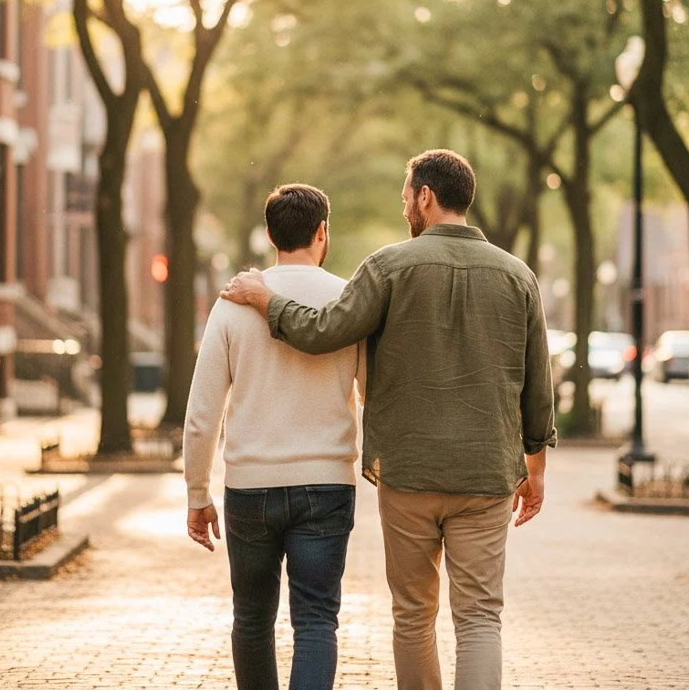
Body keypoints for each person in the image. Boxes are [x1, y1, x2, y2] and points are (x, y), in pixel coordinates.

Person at [221, 148, 556, 690]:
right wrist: (535, 468)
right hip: (486, 475)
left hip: (408, 475)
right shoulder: (518, 277)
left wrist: (266, 300)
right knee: (478, 619)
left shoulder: (388, 267)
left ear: (425, 195)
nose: (405, 206)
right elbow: (538, 387)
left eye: (407, 196)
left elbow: (325, 331)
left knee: (413, 616)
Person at [184, 183, 364, 690]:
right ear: (322, 232)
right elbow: (375, 395)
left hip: (249, 486)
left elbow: (202, 413)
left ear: (269, 234)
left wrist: (197, 493)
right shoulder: (348, 299)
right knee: (315, 621)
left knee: (252, 618)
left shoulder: (233, 302)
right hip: (328, 484)